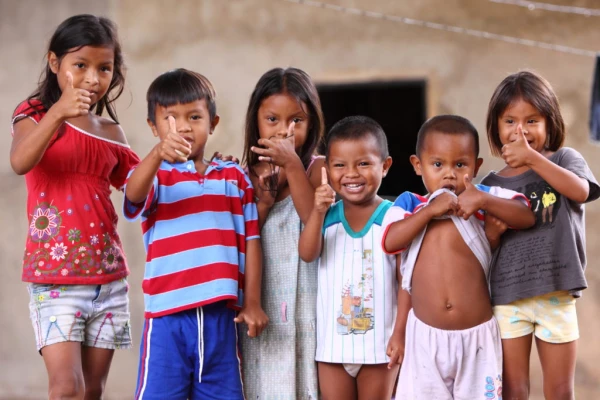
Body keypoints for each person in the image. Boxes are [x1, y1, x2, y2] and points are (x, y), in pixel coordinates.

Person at [9, 14, 139, 399]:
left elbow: (138, 192)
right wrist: (59, 112)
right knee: (67, 387)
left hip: (108, 278)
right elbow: (20, 162)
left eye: (104, 68)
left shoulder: (111, 132)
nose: (92, 78)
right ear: (55, 64)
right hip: (55, 276)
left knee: (92, 391)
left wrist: (173, 156)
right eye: (80, 65)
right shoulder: (33, 114)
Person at [123, 68, 268, 400]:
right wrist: (158, 155)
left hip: (221, 321)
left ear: (213, 123)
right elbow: (132, 195)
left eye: (194, 116)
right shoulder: (156, 176)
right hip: (167, 319)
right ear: (154, 126)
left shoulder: (234, 178)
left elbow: (252, 241)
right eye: (170, 118)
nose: (184, 126)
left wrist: (254, 302)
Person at [382, 115, 535, 399]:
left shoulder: (482, 198)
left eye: (460, 164)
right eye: (438, 164)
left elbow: (526, 215)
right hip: (424, 339)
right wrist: (430, 211)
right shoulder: (411, 203)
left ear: (476, 166)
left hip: (476, 337)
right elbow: (390, 241)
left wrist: (485, 201)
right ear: (418, 165)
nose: (449, 174)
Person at [481, 70, 600, 399]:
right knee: (513, 391)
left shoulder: (565, 160)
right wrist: (491, 234)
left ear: (550, 123)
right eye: (509, 121)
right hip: (507, 296)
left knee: (560, 391)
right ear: (496, 128)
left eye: (532, 120)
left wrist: (532, 158)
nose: (520, 130)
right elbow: (484, 247)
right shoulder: (491, 183)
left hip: (555, 293)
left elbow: (579, 191)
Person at [298, 116, 399, 400]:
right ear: (327, 168)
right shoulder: (327, 218)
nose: (351, 174)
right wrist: (317, 211)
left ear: (385, 166)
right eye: (339, 165)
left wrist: (401, 334)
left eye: (364, 163)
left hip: (380, 348)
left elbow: (407, 283)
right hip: (332, 348)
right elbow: (307, 253)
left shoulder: (394, 218)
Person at [239, 67, 325, 399]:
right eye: (272, 119)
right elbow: (244, 235)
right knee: (262, 382)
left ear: (311, 123)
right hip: (263, 303)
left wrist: (291, 165)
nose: (284, 131)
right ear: (256, 121)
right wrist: (263, 201)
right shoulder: (246, 175)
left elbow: (309, 216)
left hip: (306, 306)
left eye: (296, 121)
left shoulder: (317, 169)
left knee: (304, 381)